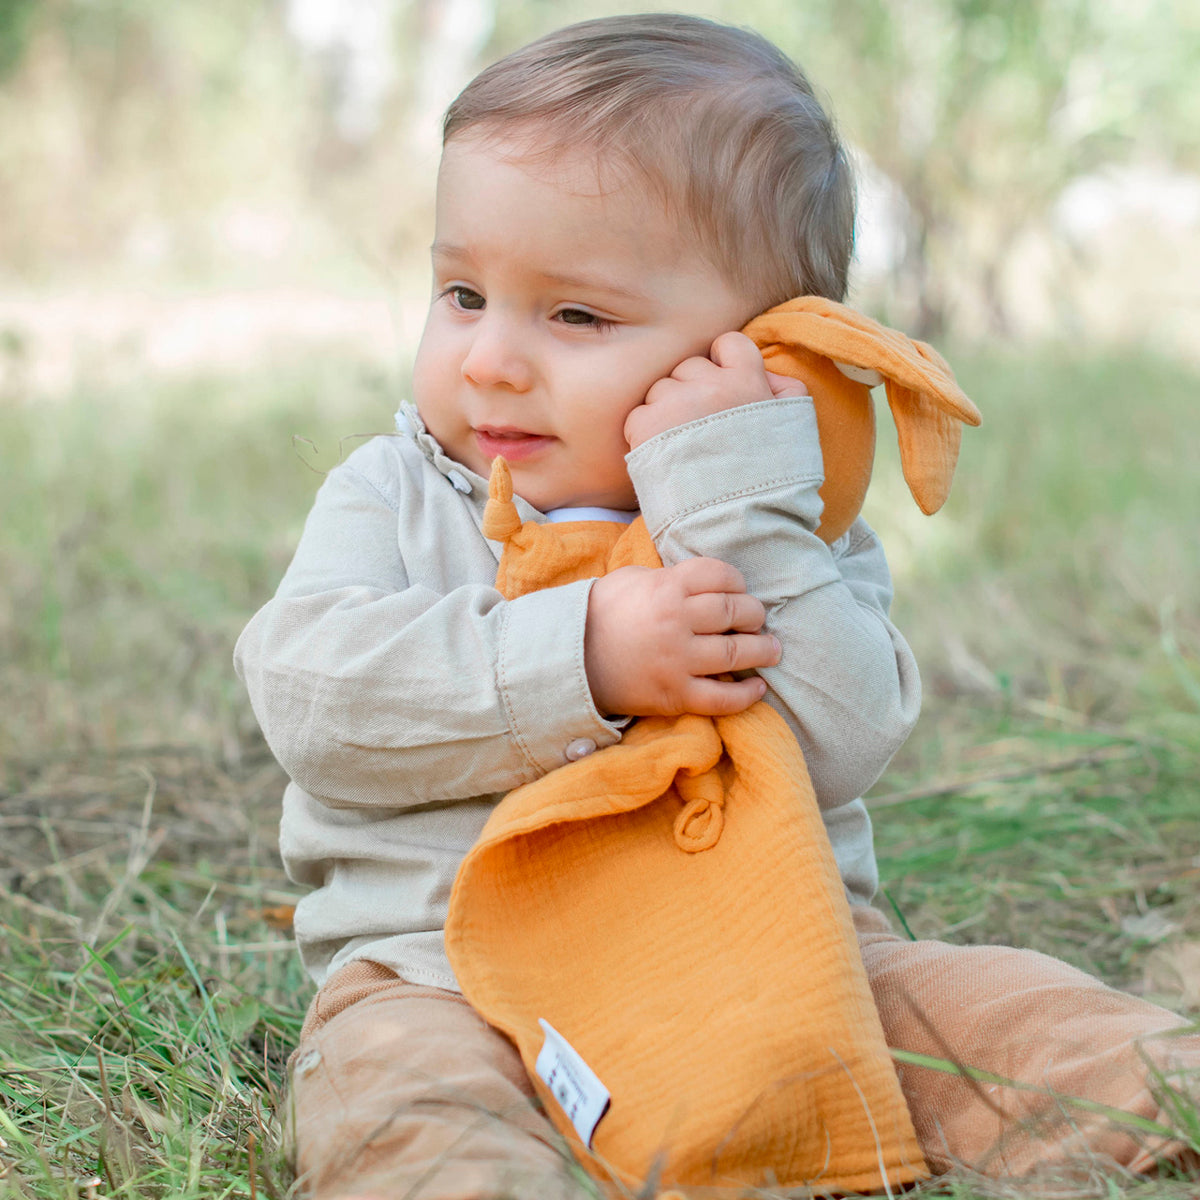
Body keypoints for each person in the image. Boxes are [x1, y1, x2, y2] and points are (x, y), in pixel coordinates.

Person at [235, 14, 1198, 1199]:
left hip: (778, 957)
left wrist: (737, 508)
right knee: (403, 1093)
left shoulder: (781, 519)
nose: (489, 359)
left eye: (576, 315)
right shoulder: (396, 491)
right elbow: (310, 696)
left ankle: (1160, 1098)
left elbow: (844, 740)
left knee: (996, 1017)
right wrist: (578, 658)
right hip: (448, 972)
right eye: (463, 292)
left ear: (759, 351)